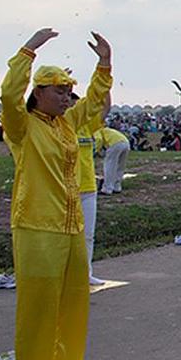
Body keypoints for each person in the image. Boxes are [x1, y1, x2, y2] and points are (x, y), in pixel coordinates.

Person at [1, 27, 112, 360]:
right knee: (37, 303)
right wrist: (28, 50)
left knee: (73, 298)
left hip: (69, 225)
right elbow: (8, 95)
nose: (67, 98)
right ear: (39, 93)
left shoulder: (67, 124)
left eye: (68, 91)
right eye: (59, 91)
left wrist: (104, 63)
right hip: (36, 225)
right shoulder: (22, 125)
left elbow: (96, 103)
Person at [71, 93, 108, 284]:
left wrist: (107, 88)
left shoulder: (87, 127)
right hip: (67, 189)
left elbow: (105, 110)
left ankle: (86, 273)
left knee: (88, 235)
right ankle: (67, 276)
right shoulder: (62, 127)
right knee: (68, 237)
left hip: (88, 187)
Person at [94, 125, 130, 194]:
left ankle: (107, 188)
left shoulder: (97, 130)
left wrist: (96, 151)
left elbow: (99, 139)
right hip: (126, 143)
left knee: (109, 166)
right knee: (120, 167)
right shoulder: (109, 130)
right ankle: (117, 187)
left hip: (114, 143)